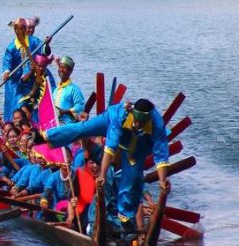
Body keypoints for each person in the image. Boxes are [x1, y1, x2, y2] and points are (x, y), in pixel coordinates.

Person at [95, 99, 169, 233]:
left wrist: (152, 199)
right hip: (103, 216)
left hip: (121, 217)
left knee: (135, 194)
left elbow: (140, 189)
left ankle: (135, 230)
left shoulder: (130, 171)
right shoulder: (103, 170)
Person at [2, 18, 51, 122]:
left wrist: (46, 44)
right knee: (17, 103)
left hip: (32, 78)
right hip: (17, 82)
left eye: (23, 28)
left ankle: (36, 124)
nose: (21, 31)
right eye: (19, 29)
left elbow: (43, 51)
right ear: (15, 30)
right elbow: (7, 63)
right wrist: (6, 72)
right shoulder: (11, 47)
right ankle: (13, 125)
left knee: (34, 102)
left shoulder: (33, 41)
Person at [53, 56, 85, 125]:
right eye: (60, 67)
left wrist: (66, 111)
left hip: (67, 123)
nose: (61, 70)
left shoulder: (74, 89)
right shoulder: (56, 90)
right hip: (55, 122)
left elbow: (80, 106)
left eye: (64, 68)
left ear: (70, 71)